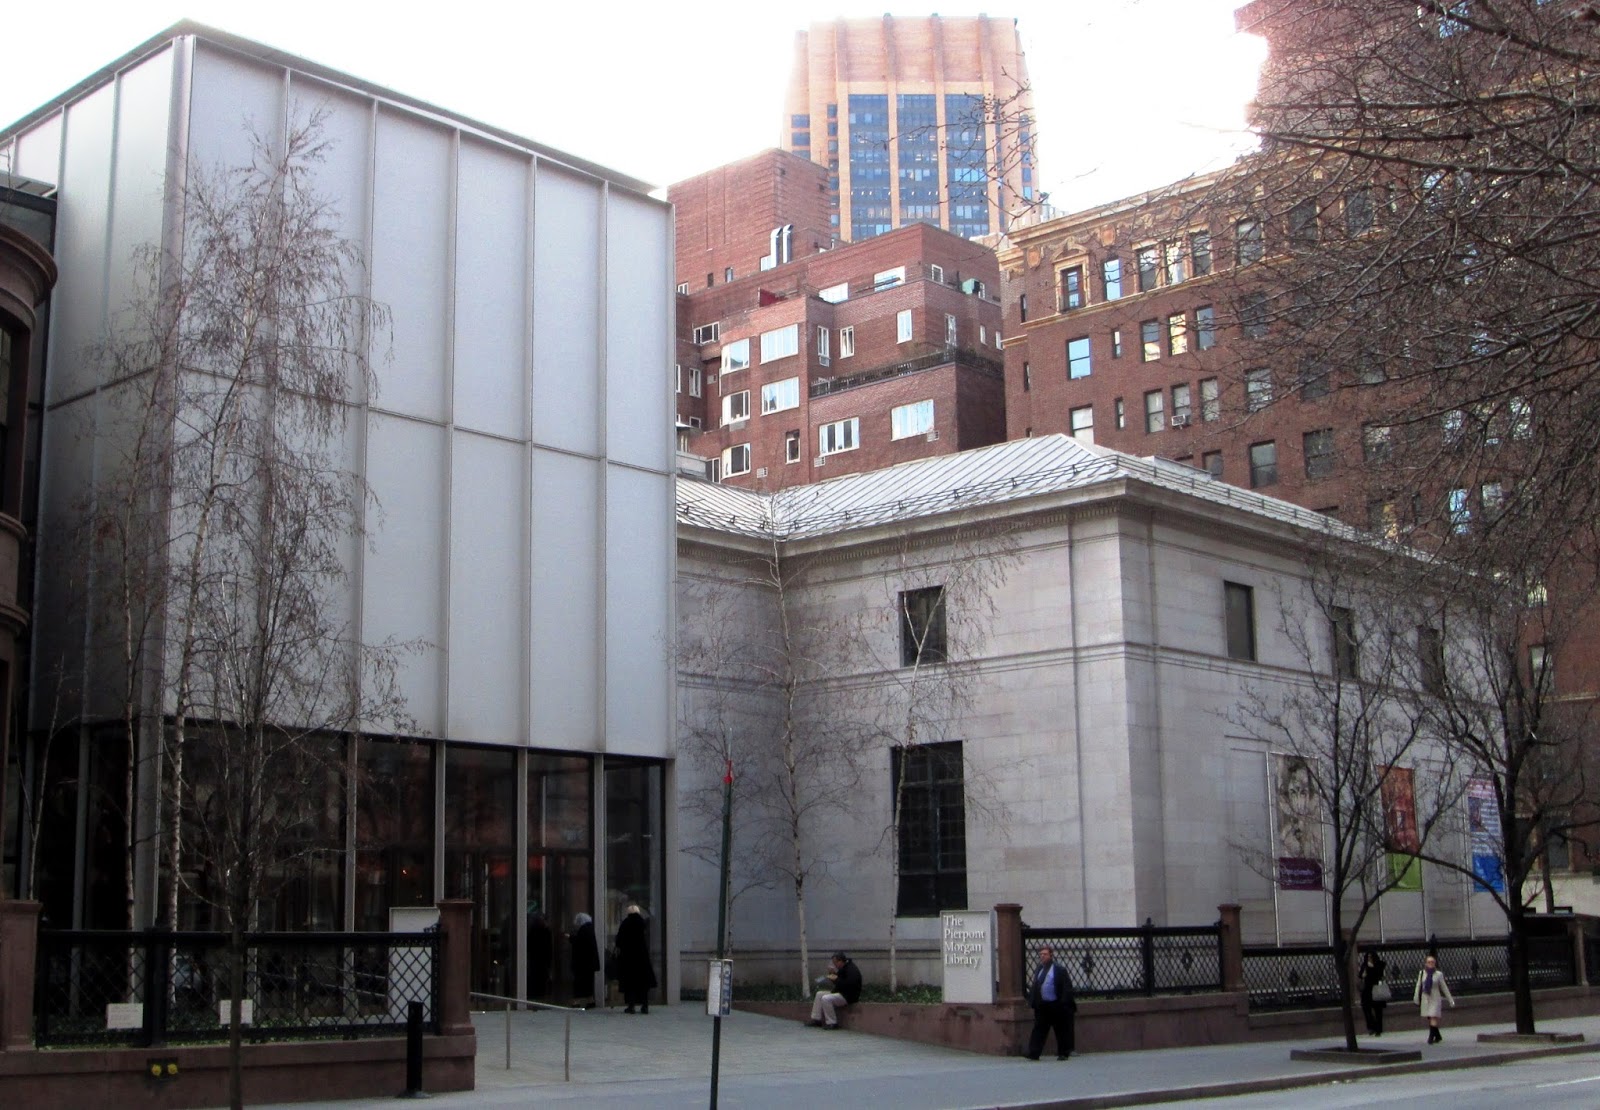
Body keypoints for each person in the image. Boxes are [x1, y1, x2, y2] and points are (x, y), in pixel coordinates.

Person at [1025, 945, 1077, 1061]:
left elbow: (1066, 987)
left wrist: (1063, 1003)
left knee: (1060, 1030)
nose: (1042, 957)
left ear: (1051, 955)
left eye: (1045, 954)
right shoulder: (1040, 969)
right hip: (1043, 1005)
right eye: (1041, 955)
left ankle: (1063, 1053)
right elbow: (1036, 986)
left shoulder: (1059, 969)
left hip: (1056, 1004)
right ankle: (1034, 1052)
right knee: (1039, 1029)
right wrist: (1033, 1001)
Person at [614, 904, 658, 1014]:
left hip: (628, 957)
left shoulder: (625, 923)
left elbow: (618, 941)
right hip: (642, 957)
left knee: (630, 983)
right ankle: (645, 1006)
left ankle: (631, 1006)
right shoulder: (643, 923)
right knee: (643, 983)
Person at [808, 951, 862, 1029]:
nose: (835, 965)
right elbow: (839, 981)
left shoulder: (851, 970)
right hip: (841, 993)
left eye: (835, 962)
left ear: (840, 961)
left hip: (848, 996)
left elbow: (847, 984)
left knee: (826, 998)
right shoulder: (844, 968)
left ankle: (832, 1023)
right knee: (819, 994)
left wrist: (836, 978)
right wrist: (833, 975)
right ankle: (816, 1019)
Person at [1413, 954, 1455, 1043]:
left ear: (1435, 963)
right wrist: (1416, 997)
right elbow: (1418, 985)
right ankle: (1438, 1036)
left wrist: (1450, 1000)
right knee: (1431, 1017)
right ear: (1425, 964)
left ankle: (1431, 1038)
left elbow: (1444, 987)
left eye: (1432, 962)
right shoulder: (1422, 973)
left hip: (1435, 998)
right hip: (1426, 998)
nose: (1431, 964)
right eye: (1429, 962)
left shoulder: (1438, 974)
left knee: (1433, 1016)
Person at [569, 912, 601, 1009]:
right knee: (588, 983)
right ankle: (590, 1001)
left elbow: (580, 943)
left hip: (582, 963)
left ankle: (577, 1001)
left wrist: (570, 938)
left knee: (579, 982)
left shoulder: (584, 930)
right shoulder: (590, 929)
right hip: (589, 963)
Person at [1358, 949, 1389, 1036]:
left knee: (1378, 1010)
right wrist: (1363, 973)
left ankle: (1378, 1029)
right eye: (1368, 957)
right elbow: (1360, 975)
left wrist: (1371, 968)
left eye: (1371, 957)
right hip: (1367, 989)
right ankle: (1372, 1026)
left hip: (1376, 988)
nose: (1369, 958)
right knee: (1366, 1008)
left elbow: (1379, 974)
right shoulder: (1365, 965)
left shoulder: (1379, 964)